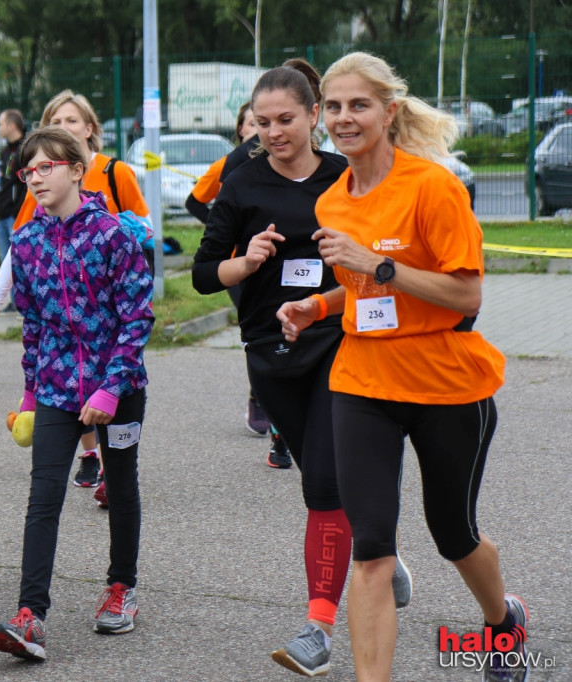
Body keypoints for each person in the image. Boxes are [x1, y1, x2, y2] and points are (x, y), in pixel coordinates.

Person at [278, 51, 526, 682]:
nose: (343, 118)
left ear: (389, 111)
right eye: (333, 107)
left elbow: (465, 295)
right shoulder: (334, 202)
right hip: (362, 383)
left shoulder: (432, 186)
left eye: (358, 104)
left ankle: (503, 623)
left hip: (446, 383)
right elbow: (362, 291)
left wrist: (376, 263)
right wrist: (318, 304)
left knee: (453, 534)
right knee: (372, 551)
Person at [192, 60, 364, 677]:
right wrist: (249, 260)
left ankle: (317, 627)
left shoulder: (348, 178)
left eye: (286, 119)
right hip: (269, 349)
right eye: (263, 122)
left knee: (323, 481)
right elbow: (203, 273)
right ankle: (373, 551)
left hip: (340, 340)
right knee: (321, 481)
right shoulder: (241, 182)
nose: (273, 131)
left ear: (315, 115)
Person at [0, 126, 153, 661]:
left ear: (76, 170)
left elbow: (136, 318)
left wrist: (110, 387)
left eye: (45, 168)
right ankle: (30, 615)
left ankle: (121, 588)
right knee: (43, 497)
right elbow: (33, 326)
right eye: (27, 170)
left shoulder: (114, 235)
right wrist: (32, 392)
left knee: (120, 486)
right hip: (57, 389)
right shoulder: (27, 242)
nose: (34, 178)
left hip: (118, 389)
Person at [0, 89, 151, 492]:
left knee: (122, 470)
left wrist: (122, 230)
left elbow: (144, 225)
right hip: (59, 368)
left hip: (110, 331)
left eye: (70, 121)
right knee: (45, 487)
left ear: (87, 130)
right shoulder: (40, 187)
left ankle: (109, 465)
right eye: (53, 122)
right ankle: (90, 453)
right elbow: (20, 253)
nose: (62, 128)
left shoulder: (114, 173)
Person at [182, 100, 291, 465]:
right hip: (233, 264)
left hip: (282, 263)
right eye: (253, 124)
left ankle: (280, 416)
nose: (259, 131)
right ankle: (263, 401)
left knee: (287, 333)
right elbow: (194, 201)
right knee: (261, 335)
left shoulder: (295, 165)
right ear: (242, 131)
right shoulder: (230, 166)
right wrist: (224, 224)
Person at [0, 108, 28, 271]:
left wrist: (16, 212)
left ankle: (19, 298)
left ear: (12, 126)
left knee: (18, 267)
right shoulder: (6, 151)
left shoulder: (25, 150)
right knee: (6, 269)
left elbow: (27, 184)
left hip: (14, 217)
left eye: (0, 124)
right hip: (2, 217)